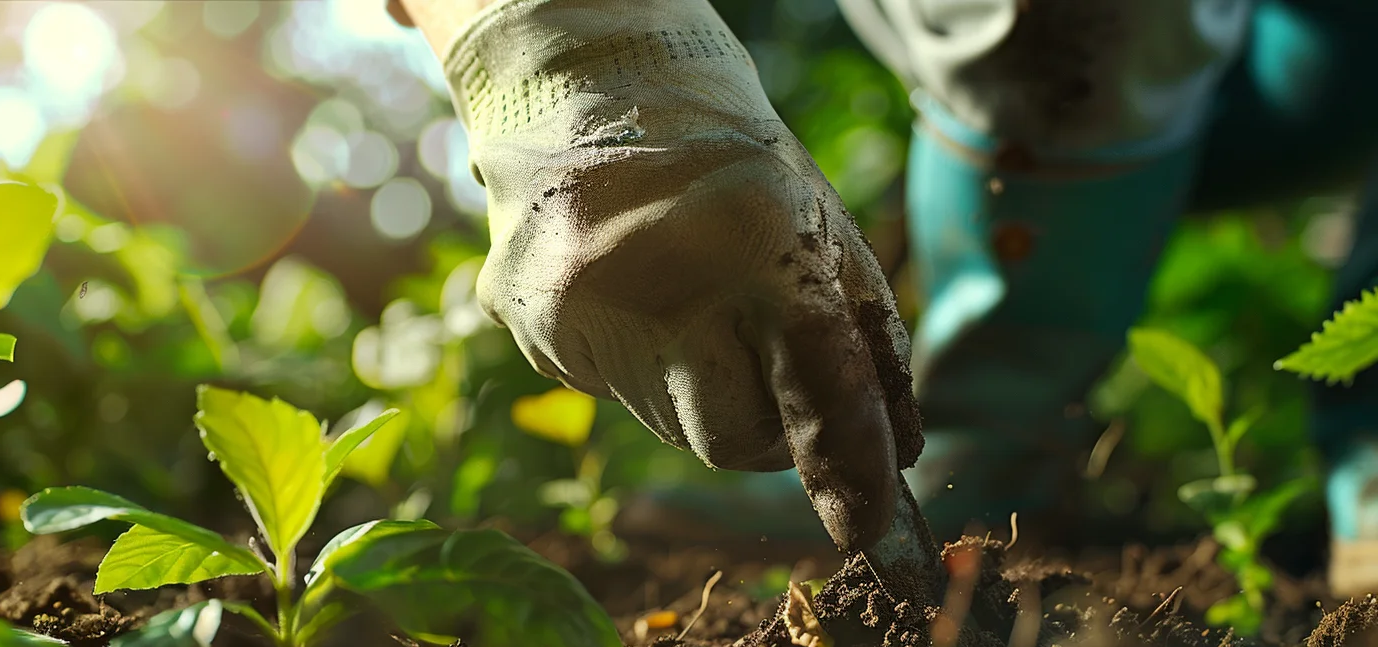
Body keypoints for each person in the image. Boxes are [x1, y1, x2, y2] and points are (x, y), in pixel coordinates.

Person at [417, 0, 1377, 597]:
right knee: (1066, 28)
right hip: (1061, 67)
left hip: (1332, 52)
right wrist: (558, 43)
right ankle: (983, 457)